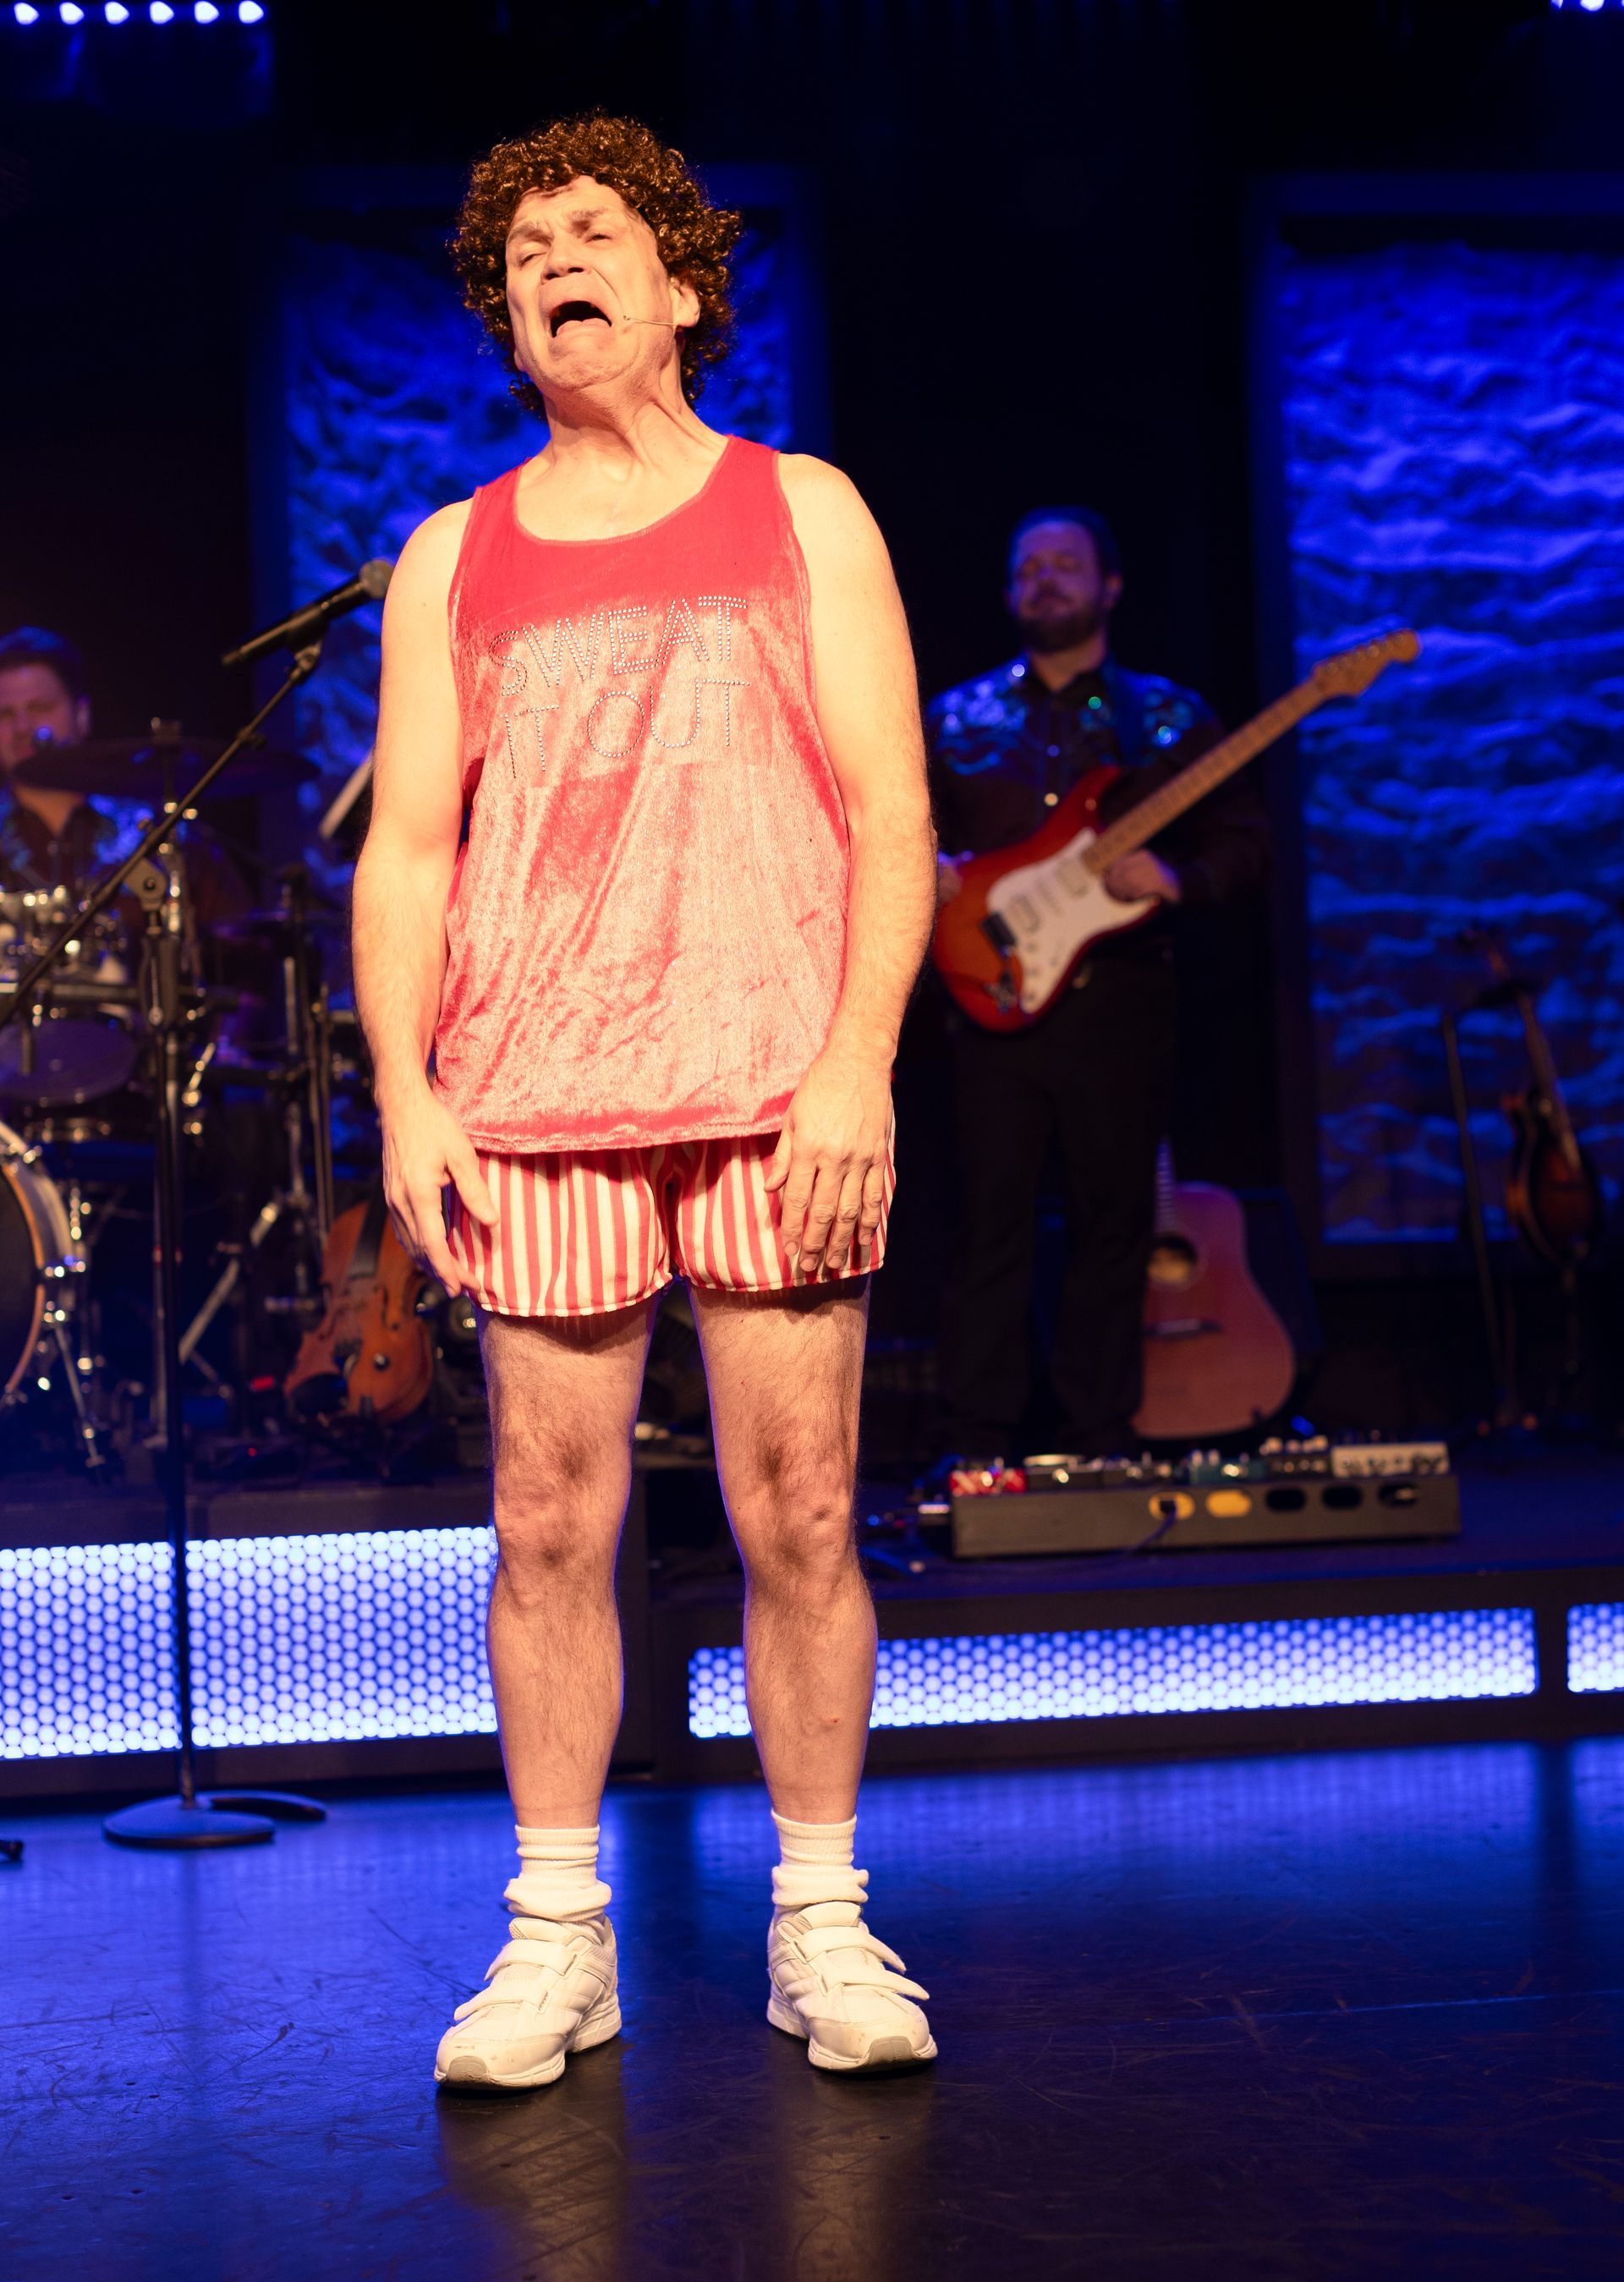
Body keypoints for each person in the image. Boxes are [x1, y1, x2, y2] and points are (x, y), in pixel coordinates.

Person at [352, 116, 939, 2087]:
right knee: (544, 1519)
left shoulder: (807, 512)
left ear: (681, 283)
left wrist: (855, 1062)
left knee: (799, 1510)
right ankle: (553, 1944)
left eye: (593, 232)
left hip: (774, 1090)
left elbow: (890, 814)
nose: (554, 261)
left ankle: (823, 1923)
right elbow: (410, 854)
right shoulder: (456, 553)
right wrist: (408, 1096)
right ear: (504, 315)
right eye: (522, 249)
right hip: (536, 1098)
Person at [927, 508, 1268, 1457]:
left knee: (1114, 1226)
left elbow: (1245, 842)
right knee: (986, 1225)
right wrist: (934, 869)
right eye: (1027, 566)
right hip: (987, 994)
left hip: (1121, 1001)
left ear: (1110, 586)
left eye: (1066, 564)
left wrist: (1177, 879)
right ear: (1006, 593)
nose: (1045, 579)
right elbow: (897, 825)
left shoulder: (1165, 718)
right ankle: (977, 1441)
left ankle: (1098, 1436)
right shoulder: (954, 718)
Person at [0, 625, 249, 928]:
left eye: (39, 708)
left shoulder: (156, 833)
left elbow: (242, 948)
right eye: (5, 714)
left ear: (81, 715)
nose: (23, 727)